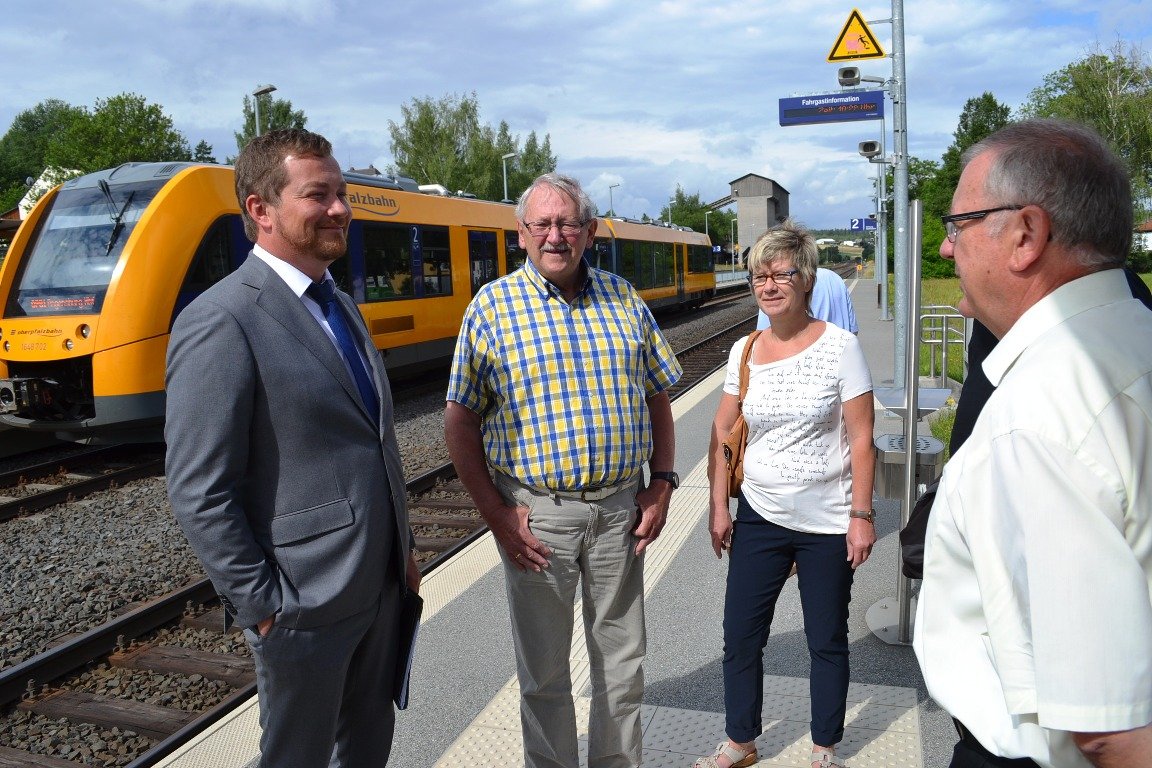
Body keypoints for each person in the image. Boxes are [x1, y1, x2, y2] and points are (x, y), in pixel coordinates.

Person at [165, 128, 419, 768]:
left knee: (365, 752)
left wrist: (402, 556)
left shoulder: (338, 303)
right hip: (302, 602)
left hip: (379, 587)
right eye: (319, 195)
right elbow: (199, 488)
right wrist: (263, 606)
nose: (340, 209)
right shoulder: (221, 320)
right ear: (260, 209)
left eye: (341, 193)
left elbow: (370, 440)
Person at [913, 118, 1152, 768]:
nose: (944, 248)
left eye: (957, 225)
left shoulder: (1039, 415)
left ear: (1025, 235)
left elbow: (1104, 726)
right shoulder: (1135, 337)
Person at [444, 172, 681, 768]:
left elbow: (658, 395)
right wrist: (496, 515)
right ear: (521, 234)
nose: (556, 235)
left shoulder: (623, 298)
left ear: (590, 231)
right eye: (542, 224)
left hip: (619, 513)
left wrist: (662, 481)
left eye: (567, 222)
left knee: (622, 668)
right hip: (537, 518)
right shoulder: (491, 309)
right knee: (545, 674)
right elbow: (459, 423)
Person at [701, 219, 876, 768]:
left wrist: (861, 515)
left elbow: (862, 437)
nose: (769, 284)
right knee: (741, 635)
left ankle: (824, 745)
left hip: (826, 520)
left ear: (806, 280)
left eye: (782, 273)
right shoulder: (745, 351)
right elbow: (721, 430)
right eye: (760, 275)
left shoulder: (841, 347)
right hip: (760, 514)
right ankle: (741, 740)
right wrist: (717, 506)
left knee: (825, 638)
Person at [756, 266, 858, 333]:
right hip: (839, 353)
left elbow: (763, 331)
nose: (769, 288)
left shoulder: (773, 290)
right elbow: (853, 329)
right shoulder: (834, 278)